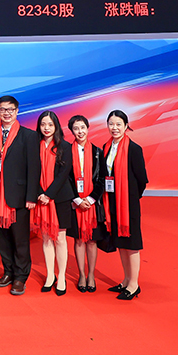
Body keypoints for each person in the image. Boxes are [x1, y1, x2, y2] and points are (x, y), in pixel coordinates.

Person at [0, 95, 40, 296]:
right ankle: (8, 272)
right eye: (2, 109)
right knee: (3, 239)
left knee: (20, 239)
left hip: (18, 196)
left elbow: (34, 168)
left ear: (17, 111)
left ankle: (20, 277)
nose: (6, 113)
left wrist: (31, 196)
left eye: (10, 109)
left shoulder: (28, 136)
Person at [103, 110, 148, 301]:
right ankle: (126, 280)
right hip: (112, 202)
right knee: (120, 243)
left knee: (132, 244)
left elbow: (142, 179)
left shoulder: (134, 149)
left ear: (126, 126)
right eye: (111, 124)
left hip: (128, 204)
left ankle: (134, 284)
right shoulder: (106, 147)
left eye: (118, 124)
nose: (114, 128)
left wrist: (132, 197)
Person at [34, 111, 75, 295]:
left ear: (56, 126)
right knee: (46, 238)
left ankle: (62, 276)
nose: (46, 128)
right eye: (43, 124)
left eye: (50, 124)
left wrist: (49, 194)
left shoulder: (65, 146)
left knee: (59, 239)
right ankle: (50, 275)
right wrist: (39, 193)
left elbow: (63, 175)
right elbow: (32, 172)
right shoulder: (35, 145)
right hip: (40, 198)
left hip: (59, 198)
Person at [67, 114, 104, 293]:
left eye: (82, 128)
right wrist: (77, 199)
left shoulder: (98, 152)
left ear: (88, 128)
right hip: (75, 204)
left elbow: (102, 179)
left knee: (91, 241)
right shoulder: (66, 151)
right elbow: (66, 179)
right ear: (72, 131)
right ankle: (81, 274)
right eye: (76, 128)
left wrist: (89, 199)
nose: (80, 131)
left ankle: (91, 275)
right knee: (79, 240)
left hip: (92, 205)